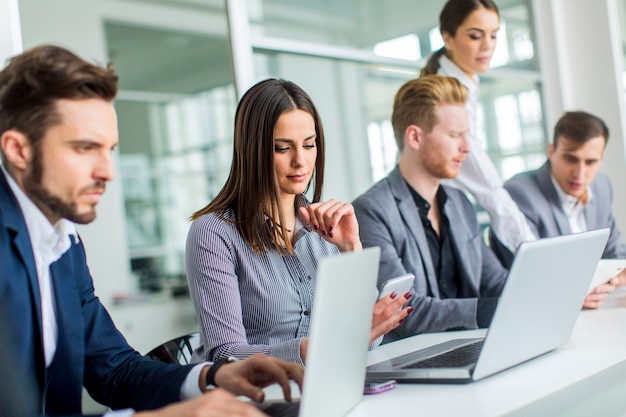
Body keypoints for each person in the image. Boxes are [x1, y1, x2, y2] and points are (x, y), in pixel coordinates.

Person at [0, 44, 304, 417]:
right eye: (84, 148)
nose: (107, 172)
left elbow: (114, 369)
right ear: (18, 150)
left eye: (110, 150)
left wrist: (213, 377)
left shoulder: (62, 243)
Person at [185, 78, 412, 365]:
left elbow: (368, 341)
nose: (301, 161)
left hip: (326, 385)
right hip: (258, 398)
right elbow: (225, 355)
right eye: (283, 148)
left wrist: (351, 249)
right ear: (252, 150)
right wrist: (318, 347)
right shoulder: (214, 233)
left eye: (309, 145)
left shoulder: (327, 227)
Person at [353, 75, 508, 340]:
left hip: (469, 344)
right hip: (410, 359)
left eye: (466, 135)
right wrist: (487, 311)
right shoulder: (371, 212)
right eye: (454, 135)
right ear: (415, 136)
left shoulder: (460, 204)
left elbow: (495, 281)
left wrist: (550, 293)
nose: (466, 147)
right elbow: (403, 310)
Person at [420, 0, 536, 256]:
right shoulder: (448, 95)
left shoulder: (464, 82)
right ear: (447, 37)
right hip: (439, 219)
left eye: (494, 35)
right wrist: (532, 249)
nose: (488, 46)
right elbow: (488, 187)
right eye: (475, 36)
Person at [492, 111, 626, 308]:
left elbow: (616, 254)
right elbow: (528, 276)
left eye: (590, 162)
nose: (580, 174)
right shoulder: (519, 193)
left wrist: (611, 281)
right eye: (571, 159)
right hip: (536, 312)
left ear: (602, 157)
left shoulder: (601, 186)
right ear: (551, 151)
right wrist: (572, 296)